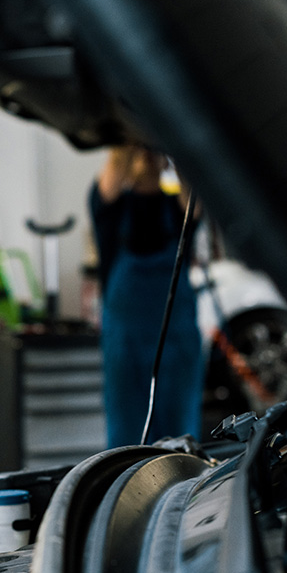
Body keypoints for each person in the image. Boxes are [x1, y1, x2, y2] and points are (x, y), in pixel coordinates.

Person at [89, 145, 203, 447]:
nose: (146, 158)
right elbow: (113, 172)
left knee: (181, 433)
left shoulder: (180, 206)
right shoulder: (110, 208)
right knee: (127, 433)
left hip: (177, 340)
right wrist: (131, 138)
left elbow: (195, 189)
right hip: (125, 342)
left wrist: (169, 139)